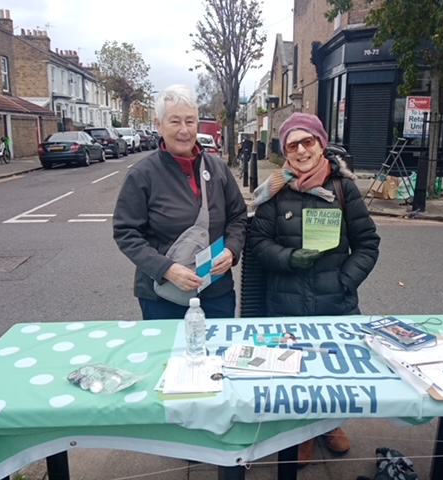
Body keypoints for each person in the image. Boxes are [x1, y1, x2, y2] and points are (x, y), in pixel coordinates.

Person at [248, 112, 380, 464]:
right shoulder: (273, 192)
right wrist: (290, 257)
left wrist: (344, 281)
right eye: (293, 144)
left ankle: (329, 425)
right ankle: (298, 433)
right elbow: (258, 244)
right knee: (292, 371)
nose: (302, 150)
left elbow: (367, 244)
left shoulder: (343, 188)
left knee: (332, 371)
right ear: (285, 151)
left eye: (309, 142)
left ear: (321, 144)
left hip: (335, 300)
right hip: (285, 302)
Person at [113, 84, 247, 320]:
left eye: (190, 121)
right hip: (163, 297)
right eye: (175, 122)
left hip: (216, 293)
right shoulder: (142, 175)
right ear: (159, 125)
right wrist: (166, 269)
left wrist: (231, 249)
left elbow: (238, 216)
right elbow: (126, 233)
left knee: (217, 355)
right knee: (167, 357)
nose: (184, 130)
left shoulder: (218, 169)